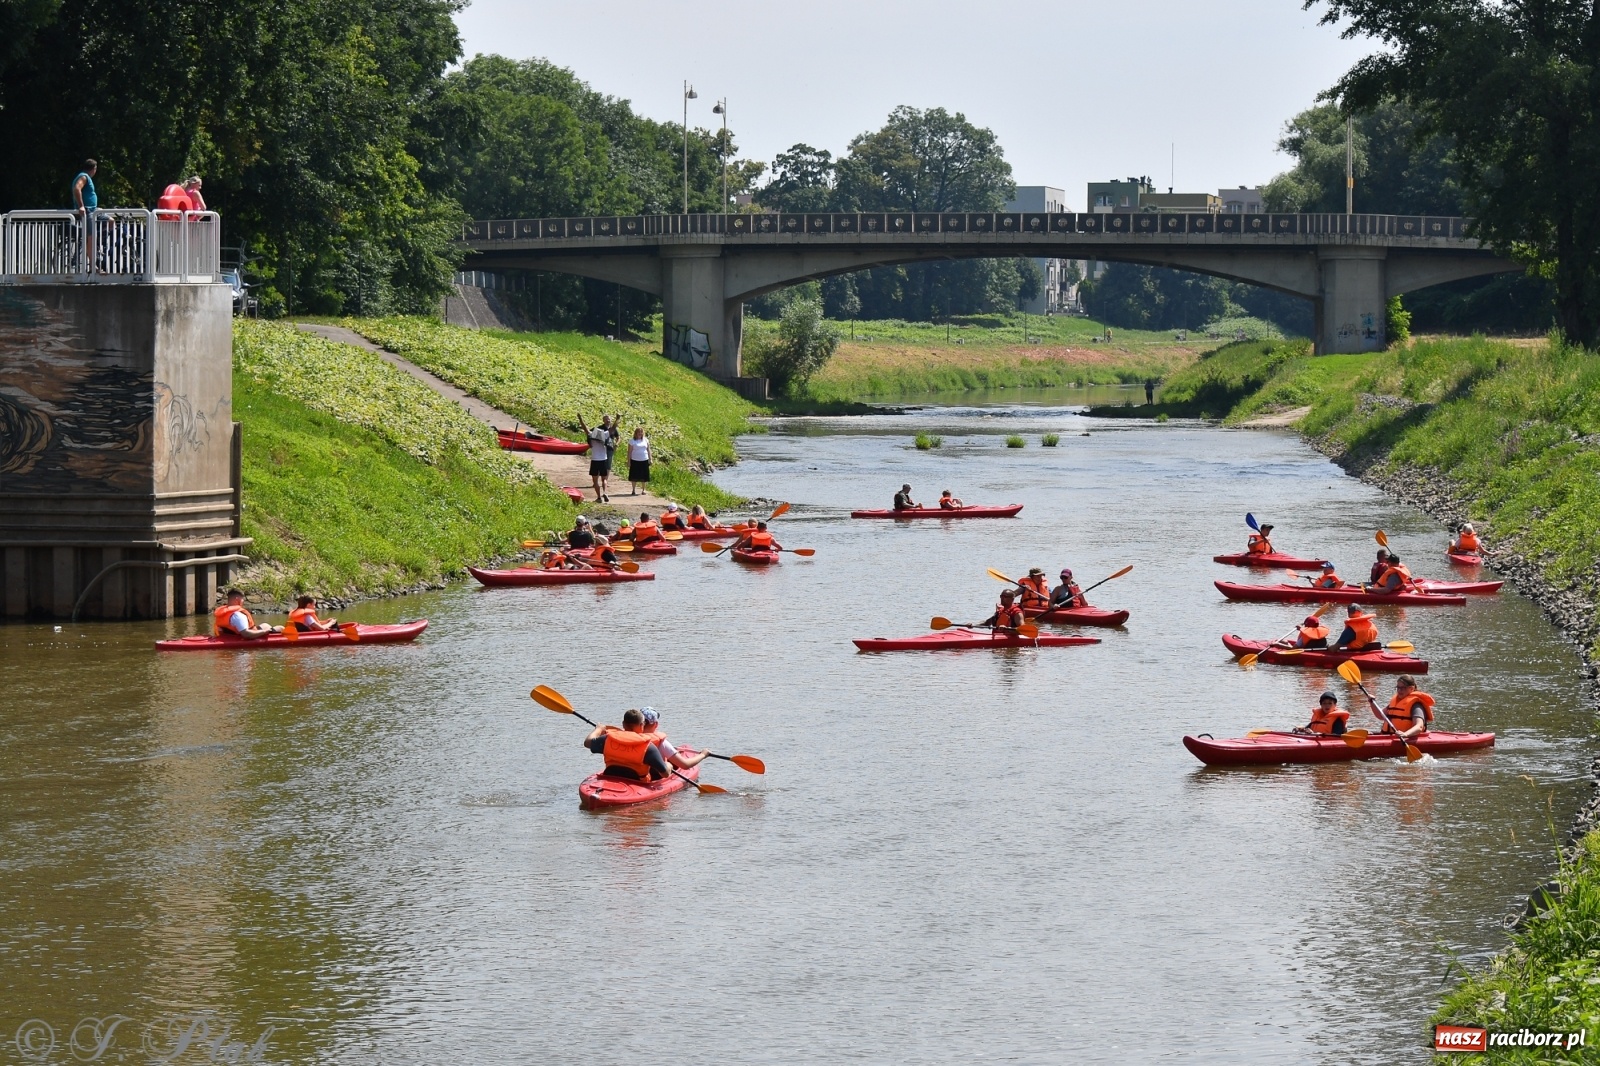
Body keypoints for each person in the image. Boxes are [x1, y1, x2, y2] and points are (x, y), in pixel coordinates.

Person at [584, 709, 672, 781]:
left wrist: (598, 729)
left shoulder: (607, 739)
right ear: (642, 725)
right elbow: (665, 774)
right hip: (638, 783)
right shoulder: (648, 747)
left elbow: (587, 742)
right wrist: (668, 765)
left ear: (623, 724)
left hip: (611, 777)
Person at [639, 707, 709, 775]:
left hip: (636, 776)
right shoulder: (662, 743)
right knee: (668, 764)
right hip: (655, 777)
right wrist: (703, 754)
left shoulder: (631, 740)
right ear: (656, 724)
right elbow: (685, 765)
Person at [1377, 675, 1435, 742]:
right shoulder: (1396, 702)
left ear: (1411, 689)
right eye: (1398, 687)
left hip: (1407, 738)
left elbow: (1419, 726)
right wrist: (1371, 702)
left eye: (1402, 688)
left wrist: (1405, 734)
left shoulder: (1416, 705)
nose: (1399, 690)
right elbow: (1380, 716)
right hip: (1389, 737)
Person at [577, 413, 618, 502]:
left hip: (595, 460)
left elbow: (585, 428)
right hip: (604, 459)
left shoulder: (592, 435)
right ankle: (605, 492)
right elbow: (613, 429)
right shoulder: (604, 435)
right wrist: (617, 419)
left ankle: (599, 497)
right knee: (604, 479)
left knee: (595, 481)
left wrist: (580, 419)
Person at [213, 588, 280, 639]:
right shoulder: (238, 615)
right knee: (280, 628)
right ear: (237, 599)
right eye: (242, 599)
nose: (243, 601)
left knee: (265, 625)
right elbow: (246, 634)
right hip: (241, 637)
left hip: (227, 636)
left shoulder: (223, 612)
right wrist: (266, 631)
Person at [71, 160, 101, 273]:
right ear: (93, 169)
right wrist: (81, 206)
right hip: (88, 211)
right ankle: (93, 267)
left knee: (110, 221)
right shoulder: (84, 177)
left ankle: (99, 243)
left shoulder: (86, 177)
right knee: (91, 237)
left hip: (93, 210)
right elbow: (76, 188)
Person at [627, 426, 651, 496]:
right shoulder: (632, 441)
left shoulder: (646, 440)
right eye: (638, 432)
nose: (640, 433)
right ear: (635, 433)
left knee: (644, 476)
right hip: (635, 460)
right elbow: (629, 452)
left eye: (641, 432)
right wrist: (628, 461)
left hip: (644, 460)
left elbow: (648, 450)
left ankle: (643, 490)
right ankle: (633, 490)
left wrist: (650, 458)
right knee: (634, 475)